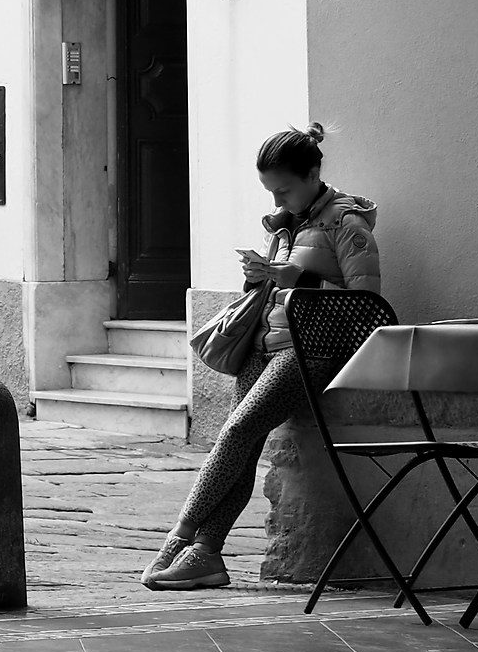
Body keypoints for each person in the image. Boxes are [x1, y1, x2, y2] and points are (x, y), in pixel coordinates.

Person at [141, 124, 381, 591]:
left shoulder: (346, 225)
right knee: (241, 447)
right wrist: (261, 276)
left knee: (237, 430)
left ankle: (179, 538)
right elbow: (278, 290)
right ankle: (207, 556)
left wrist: (301, 281)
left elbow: (369, 306)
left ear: (313, 174)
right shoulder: (284, 225)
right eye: (270, 192)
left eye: (284, 191)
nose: (276, 202)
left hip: (314, 349)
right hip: (265, 345)